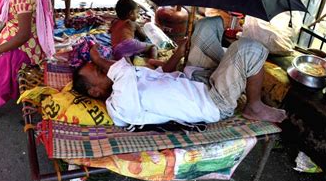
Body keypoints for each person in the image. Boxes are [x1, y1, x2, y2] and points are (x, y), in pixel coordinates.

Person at [73, 16, 287, 127]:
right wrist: (99, 59)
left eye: (101, 68)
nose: (105, 69)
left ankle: (231, 68)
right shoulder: (119, 108)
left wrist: (178, 54)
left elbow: (162, 74)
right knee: (250, 48)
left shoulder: (126, 80)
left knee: (207, 25)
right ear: (95, 92)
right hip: (211, 101)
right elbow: (124, 72)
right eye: (100, 72)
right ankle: (254, 105)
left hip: (192, 77)